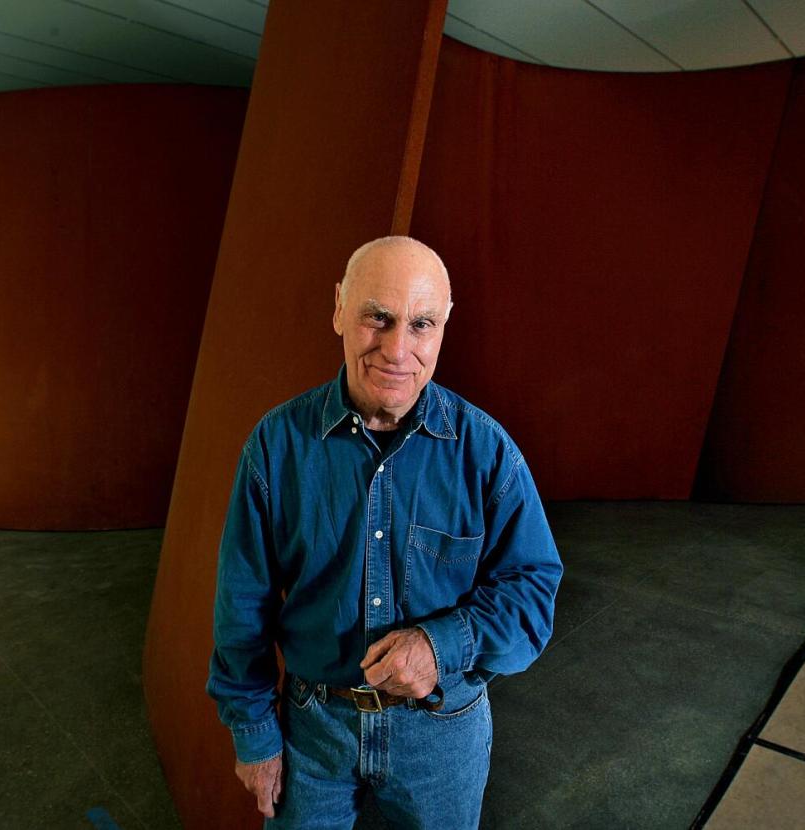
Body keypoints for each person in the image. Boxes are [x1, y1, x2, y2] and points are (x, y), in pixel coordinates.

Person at [207, 236, 562, 829]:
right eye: (378, 317)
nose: (398, 349)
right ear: (341, 309)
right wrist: (254, 735)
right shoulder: (274, 447)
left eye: (421, 324)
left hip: (442, 730)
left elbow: (533, 592)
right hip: (313, 729)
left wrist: (440, 646)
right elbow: (242, 605)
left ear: (444, 328)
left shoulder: (487, 452)